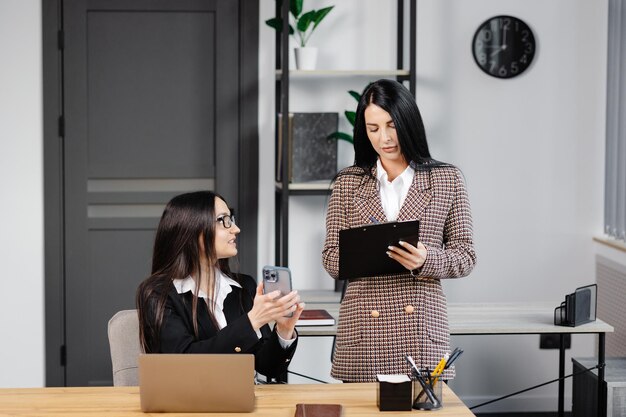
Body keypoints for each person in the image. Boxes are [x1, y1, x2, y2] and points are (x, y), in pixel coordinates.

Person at [322, 79, 476, 382]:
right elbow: (330, 258)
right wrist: (364, 254)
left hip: (419, 327)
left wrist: (425, 260)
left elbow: (466, 256)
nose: (384, 138)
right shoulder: (347, 183)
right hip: (365, 330)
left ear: (408, 122)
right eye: (373, 128)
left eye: (391, 125)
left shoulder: (447, 179)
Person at [137, 191, 304, 379]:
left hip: (244, 401)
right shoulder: (158, 293)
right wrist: (252, 321)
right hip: (189, 405)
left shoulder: (243, 286)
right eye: (223, 220)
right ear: (192, 229)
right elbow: (182, 363)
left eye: (231, 219)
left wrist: (284, 330)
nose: (236, 229)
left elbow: (268, 368)